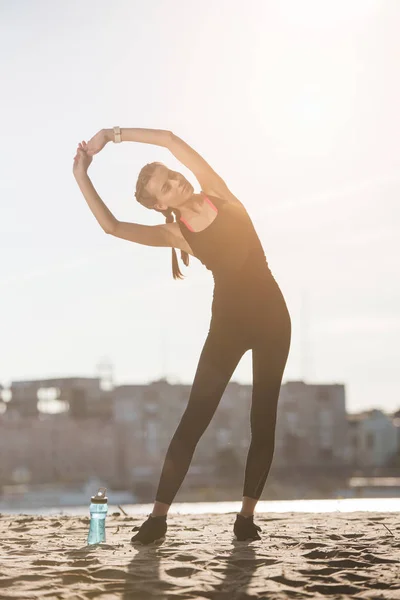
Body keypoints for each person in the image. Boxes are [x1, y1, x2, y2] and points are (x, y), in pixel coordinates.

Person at [73, 127, 292, 544]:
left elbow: (171, 140)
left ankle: (245, 519)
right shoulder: (178, 235)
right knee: (194, 420)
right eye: (166, 186)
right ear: (161, 205)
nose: (177, 181)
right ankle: (158, 518)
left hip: (273, 321)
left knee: (263, 421)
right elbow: (112, 227)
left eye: (172, 175)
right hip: (227, 327)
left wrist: (112, 135)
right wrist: (82, 174)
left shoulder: (218, 191)